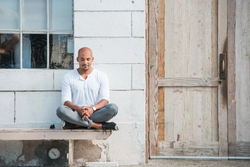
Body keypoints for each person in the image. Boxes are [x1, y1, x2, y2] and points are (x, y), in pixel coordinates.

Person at [56, 47, 119, 130]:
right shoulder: (68, 77)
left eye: (88, 59)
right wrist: (79, 109)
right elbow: (65, 101)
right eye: (82, 59)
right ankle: (97, 125)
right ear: (77, 59)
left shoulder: (101, 76)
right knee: (60, 110)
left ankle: (77, 124)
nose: (85, 62)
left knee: (113, 108)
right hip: (76, 113)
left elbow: (105, 99)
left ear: (92, 59)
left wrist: (92, 109)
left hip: (94, 113)